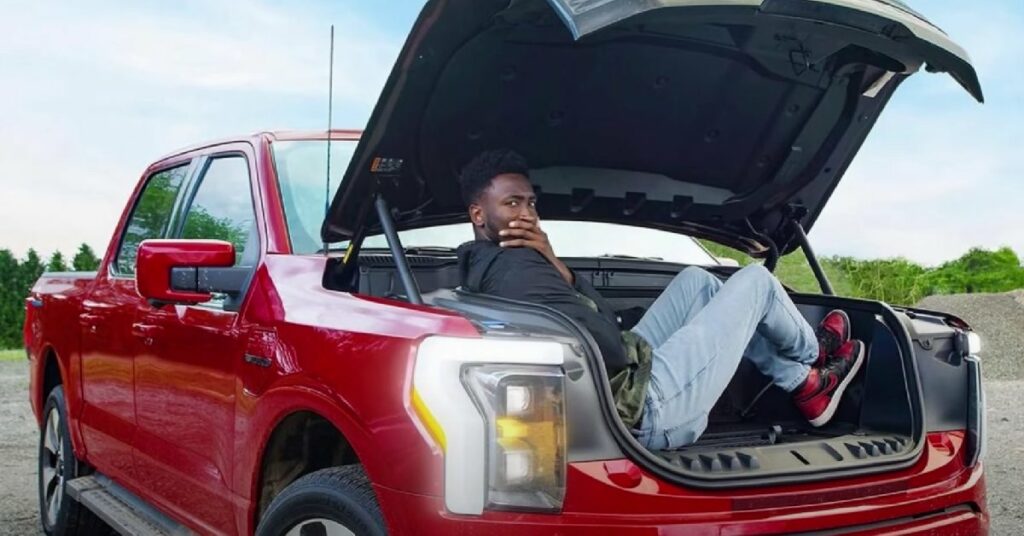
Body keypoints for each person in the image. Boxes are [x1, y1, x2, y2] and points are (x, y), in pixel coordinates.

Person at [454, 149, 865, 450]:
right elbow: (611, 345)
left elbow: (605, 328)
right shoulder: (518, 271)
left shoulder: (499, 262)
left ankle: (805, 385)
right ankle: (813, 352)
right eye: (512, 203)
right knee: (755, 280)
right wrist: (560, 279)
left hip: (620, 387)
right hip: (645, 411)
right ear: (478, 214)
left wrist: (557, 265)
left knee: (697, 282)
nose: (528, 214)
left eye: (530, 203)